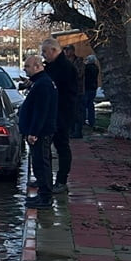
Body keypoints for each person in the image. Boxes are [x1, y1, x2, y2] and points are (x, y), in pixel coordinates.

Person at [19, 54, 57, 209]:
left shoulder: (43, 84)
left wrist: (34, 132)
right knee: (39, 163)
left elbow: (40, 111)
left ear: (37, 66)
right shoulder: (40, 82)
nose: (24, 69)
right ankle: (43, 194)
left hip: (41, 132)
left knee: (42, 164)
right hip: (41, 130)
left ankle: (46, 198)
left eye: (27, 66)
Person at [41, 38, 78, 191]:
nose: (43, 55)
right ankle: (45, 178)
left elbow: (62, 91)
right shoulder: (51, 66)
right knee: (43, 147)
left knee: (61, 146)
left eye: (45, 51)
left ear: (54, 51)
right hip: (52, 112)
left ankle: (61, 181)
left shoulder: (64, 67)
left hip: (62, 112)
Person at [65, 45, 84, 138]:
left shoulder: (79, 61)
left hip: (77, 91)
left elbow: (79, 74)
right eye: (65, 50)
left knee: (77, 112)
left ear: (72, 51)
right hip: (67, 91)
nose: (66, 52)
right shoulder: (65, 62)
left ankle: (78, 131)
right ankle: (70, 130)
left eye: (68, 50)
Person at [83, 55, 99, 129]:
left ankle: (83, 120)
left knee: (83, 105)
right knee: (90, 105)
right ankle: (91, 121)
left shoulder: (86, 68)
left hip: (87, 88)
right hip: (93, 88)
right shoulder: (96, 68)